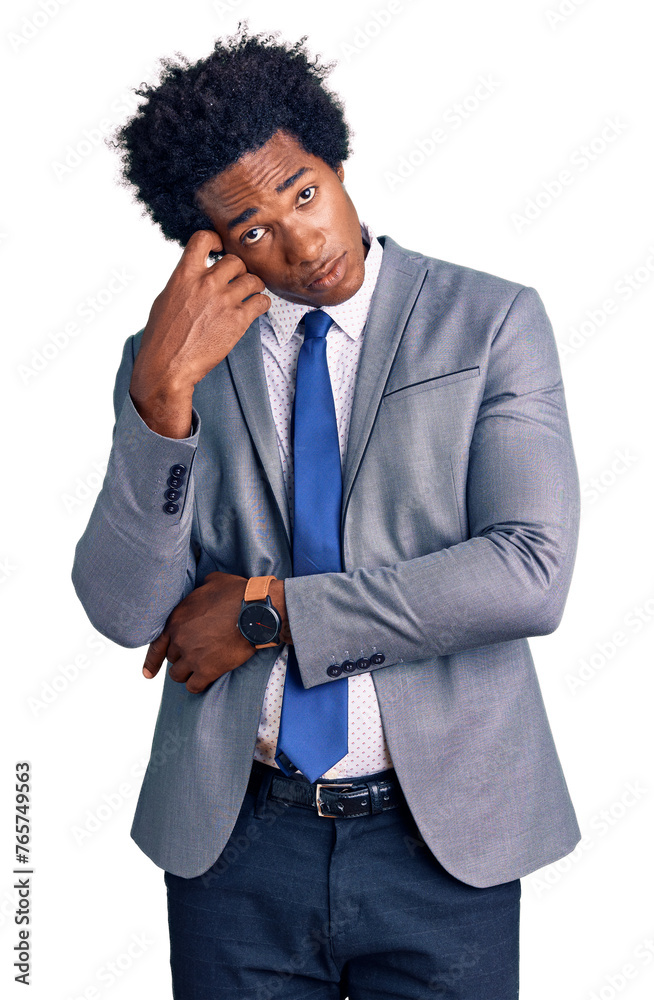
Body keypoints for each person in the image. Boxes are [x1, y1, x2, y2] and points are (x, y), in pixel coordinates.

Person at [72, 25, 581, 1000]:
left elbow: (528, 571)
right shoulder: (170, 361)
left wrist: (269, 613)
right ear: (211, 244)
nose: (304, 242)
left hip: (444, 839)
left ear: (337, 164)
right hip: (236, 841)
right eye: (257, 228)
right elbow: (126, 611)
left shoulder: (491, 320)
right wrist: (159, 404)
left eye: (305, 192)